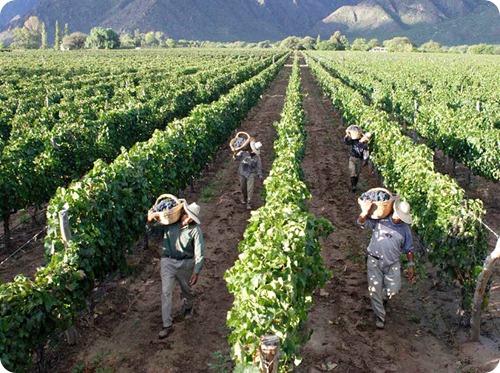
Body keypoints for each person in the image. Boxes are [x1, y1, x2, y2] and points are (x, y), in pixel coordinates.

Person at [147, 200, 205, 339]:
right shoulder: (169, 224)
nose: (189, 219)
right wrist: (149, 221)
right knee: (166, 292)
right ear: (183, 213)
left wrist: (196, 271)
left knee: (187, 290)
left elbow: (199, 252)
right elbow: (153, 232)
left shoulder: (195, 230)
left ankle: (188, 306)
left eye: (192, 218)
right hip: (168, 261)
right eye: (187, 215)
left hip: (185, 263)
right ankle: (167, 325)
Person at [357, 196, 415, 329]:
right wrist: (364, 212)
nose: (399, 219)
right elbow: (361, 223)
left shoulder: (405, 230)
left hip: (392, 263)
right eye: (399, 215)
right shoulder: (380, 219)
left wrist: (411, 265)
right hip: (374, 260)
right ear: (393, 210)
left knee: (393, 289)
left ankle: (384, 298)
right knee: (374, 291)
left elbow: (409, 249)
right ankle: (380, 317)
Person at [234, 140, 263, 210]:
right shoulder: (243, 152)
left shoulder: (257, 157)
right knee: (243, 188)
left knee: (250, 189)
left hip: (251, 174)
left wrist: (260, 176)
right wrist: (235, 154)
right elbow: (236, 158)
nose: (253, 152)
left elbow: (259, 167)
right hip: (242, 173)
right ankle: (244, 198)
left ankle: (249, 203)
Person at [344, 126, 370, 192]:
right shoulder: (354, 140)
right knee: (352, 171)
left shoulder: (364, 145)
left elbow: (365, 153)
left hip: (359, 160)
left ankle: (354, 185)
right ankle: (353, 186)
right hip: (352, 158)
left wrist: (366, 160)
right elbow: (346, 142)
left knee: (357, 173)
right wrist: (347, 135)